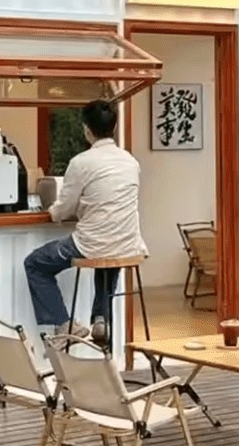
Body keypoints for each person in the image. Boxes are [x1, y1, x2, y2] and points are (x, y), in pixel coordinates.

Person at [24, 99, 147, 342]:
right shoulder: (131, 162)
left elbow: (63, 209)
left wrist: (52, 211)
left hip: (92, 243)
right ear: (113, 127)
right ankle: (101, 319)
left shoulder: (81, 162)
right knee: (109, 253)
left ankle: (64, 324)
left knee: (35, 263)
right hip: (128, 243)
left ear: (87, 130)